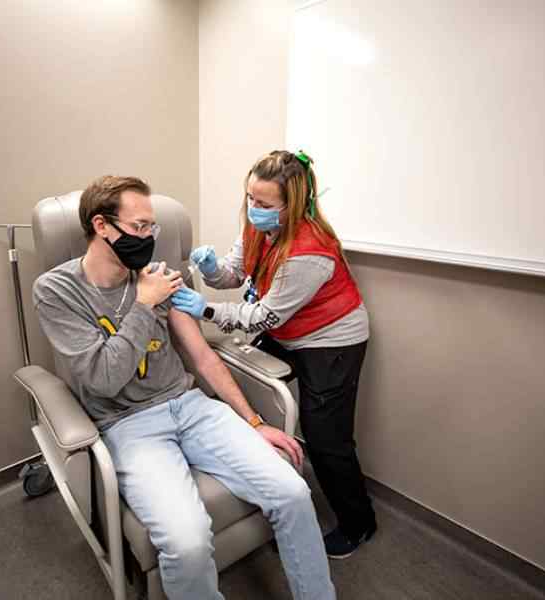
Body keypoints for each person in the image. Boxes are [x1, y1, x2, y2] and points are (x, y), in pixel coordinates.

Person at [32, 175, 336, 600]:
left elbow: (203, 356)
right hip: (128, 425)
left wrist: (253, 422)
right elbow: (101, 378)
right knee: (188, 542)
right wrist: (143, 302)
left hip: (190, 407)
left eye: (152, 227)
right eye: (140, 227)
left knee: (292, 491)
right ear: (102, 226)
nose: (150, 238)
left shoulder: (159, 275)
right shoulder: (57, 290)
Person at [172, 150, 376, 559]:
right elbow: (235, 272)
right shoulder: (257, 225)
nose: (253, 208)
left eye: (264, 204)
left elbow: (264, 314)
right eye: (250, 198)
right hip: (287, 330)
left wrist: (206, 309)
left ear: (292, 205)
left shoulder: (309, 251)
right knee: (242, 383)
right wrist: (212, 270)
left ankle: (358, 525)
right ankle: (268, 485)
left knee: (326, 437)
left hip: (331, 340)